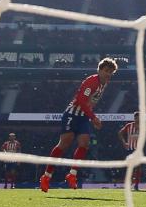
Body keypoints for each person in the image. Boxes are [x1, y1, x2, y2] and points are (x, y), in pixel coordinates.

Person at [40, 57, 118, 193]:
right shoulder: (91, 82)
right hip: (72, 114)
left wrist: (90, 115)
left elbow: (91, 101)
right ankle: (46, 176)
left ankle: (72, 175)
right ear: (99, 70)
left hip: (83, 117)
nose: (108, 74)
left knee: (84, 144)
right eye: (106, 70)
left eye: (111, 72)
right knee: (64, 144)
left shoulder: (105, 83)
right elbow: (81, 101)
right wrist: (93, 117)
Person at [118, 111, 142, 191]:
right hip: (130, 149)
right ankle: (129, 184)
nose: (137, 119)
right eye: (136, 117)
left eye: (138, 117)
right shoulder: (129, 126)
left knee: (138, 168)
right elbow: (120, 133)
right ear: (134, 118)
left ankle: (136, 185)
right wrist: (124, 143)